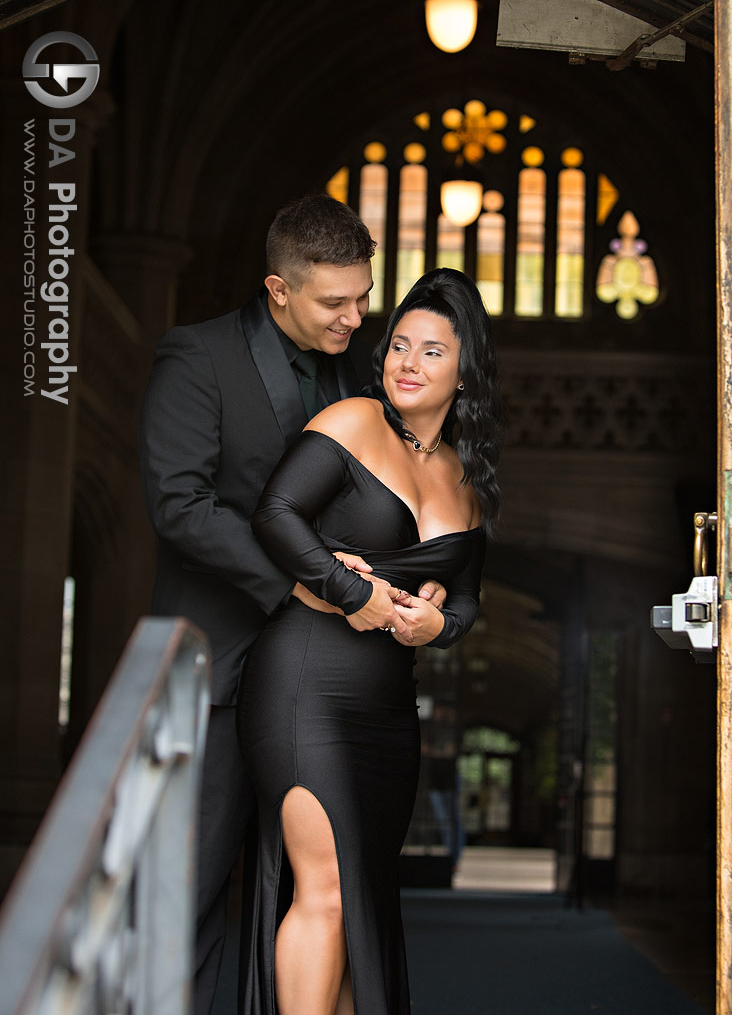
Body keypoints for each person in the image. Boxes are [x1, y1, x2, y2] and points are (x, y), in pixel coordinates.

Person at [138, 195, 447, 1015]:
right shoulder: (195, 355)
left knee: (313, 903)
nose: (356, 317)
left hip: (322, 688)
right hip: (215, 674)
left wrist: (431, 580)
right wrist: (303, 581)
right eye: (334, 303)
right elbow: (179, 505)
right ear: (278, 288)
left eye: (362, 296)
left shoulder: (363, 375)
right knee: (190, 895)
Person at [238, 267, 501, 1015]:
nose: (406, 364)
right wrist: (353, 593)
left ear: (465, 370)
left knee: (360, 899)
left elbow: (468, 599)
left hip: (388, 713)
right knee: (321, 892)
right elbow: (276, 514)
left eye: (431, 351)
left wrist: (434, 625)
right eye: (398, 346)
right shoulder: (353, 420)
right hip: (304, 683)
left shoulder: (467, 479)